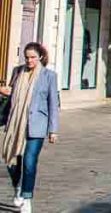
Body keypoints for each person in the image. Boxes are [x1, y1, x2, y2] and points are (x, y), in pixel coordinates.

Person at [0, 43, 59, 213]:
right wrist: (5, 91)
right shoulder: (18, 71)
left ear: (40, 56)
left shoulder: (49, 76)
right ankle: (18, 186)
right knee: (12, 162)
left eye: (33, 57)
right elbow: (14, 92)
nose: (29, 60)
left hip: (37, 124)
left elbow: (53, 104)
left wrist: (53, 129)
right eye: (27, 57)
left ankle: (26, 197)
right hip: (16, 124)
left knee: (29, 162)